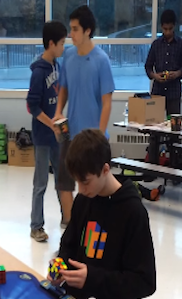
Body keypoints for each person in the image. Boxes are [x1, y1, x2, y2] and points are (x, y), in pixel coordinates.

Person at [50, 129, 156, 299]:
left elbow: (144, 282)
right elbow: (69, 245)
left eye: (85, 181)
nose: (80, 189)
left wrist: (93, 278)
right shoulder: (84, 200)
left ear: (105, 169)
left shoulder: (133, 212)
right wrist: (60, 265)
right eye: (77, 182)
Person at [53, 5, 115, 228]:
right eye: (70, 29)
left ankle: (93, 225)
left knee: (91, 184)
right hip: (71, 134)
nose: (71, 34)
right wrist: (59, 111)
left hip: (92, 137)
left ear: (88, 30)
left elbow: (107, 102)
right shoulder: (68, 56)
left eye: (76, 29)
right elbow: (64, 88)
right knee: (64, 182)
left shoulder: (101, 60)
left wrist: (100, 133)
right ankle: (72, 225)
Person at [27, 21, 67, 242]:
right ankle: (36, 226)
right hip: (43, 137)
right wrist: (50, 123)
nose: (63, 47)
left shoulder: (57, 67)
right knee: (41, 182)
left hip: (57, 135)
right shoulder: (38, 72)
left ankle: (67, 217)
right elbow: (32, 106)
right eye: (61, 43)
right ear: (51, 44)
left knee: (62, 178)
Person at [144, 9, 182, 116]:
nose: (168, 32)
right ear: (161, 27)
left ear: (174, 26)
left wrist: (177, 73)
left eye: (170, 29)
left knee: (173, 125)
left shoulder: (180, 43)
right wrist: (155, 76)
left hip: (174, 91)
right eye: (165, 29)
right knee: (154, 124)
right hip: (158, 91)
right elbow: (147, 66)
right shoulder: (156, 44)